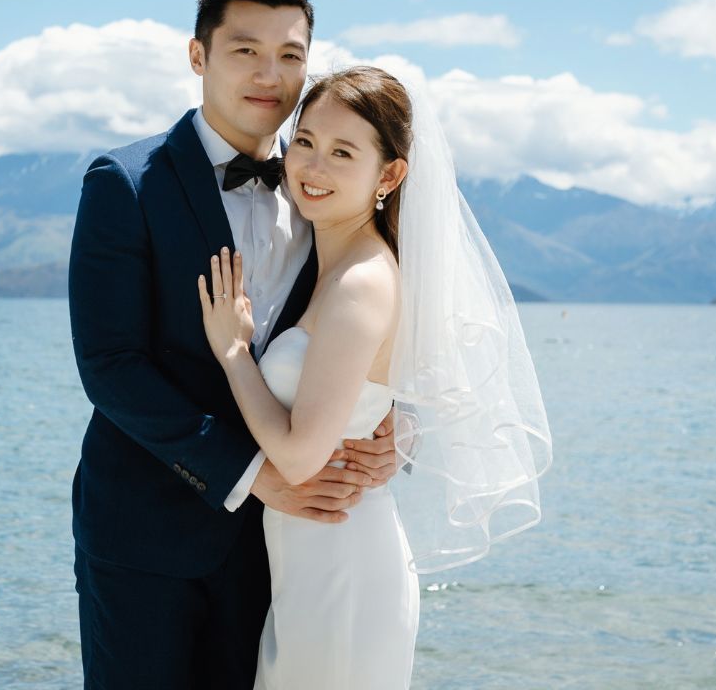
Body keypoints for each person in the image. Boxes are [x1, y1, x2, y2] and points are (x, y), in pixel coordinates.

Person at [67, 0, 397, 689]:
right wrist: (253, 476)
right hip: (145, 538)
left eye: (290, 55)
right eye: (245, 49)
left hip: (275, 553)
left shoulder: (320, 188)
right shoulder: (125, 184)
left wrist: (389, 426)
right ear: (199, 57)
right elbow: (109, 365)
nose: (269, 74)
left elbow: (366, 328)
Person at [197, 66, 553, 688]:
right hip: (310, 564)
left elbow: (302, 457)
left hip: (342, 568)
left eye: (342, 153)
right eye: (304, 141)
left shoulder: (361, 282)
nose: (313, 167)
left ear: (388, 175)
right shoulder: (335, 266)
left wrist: (234, 354)